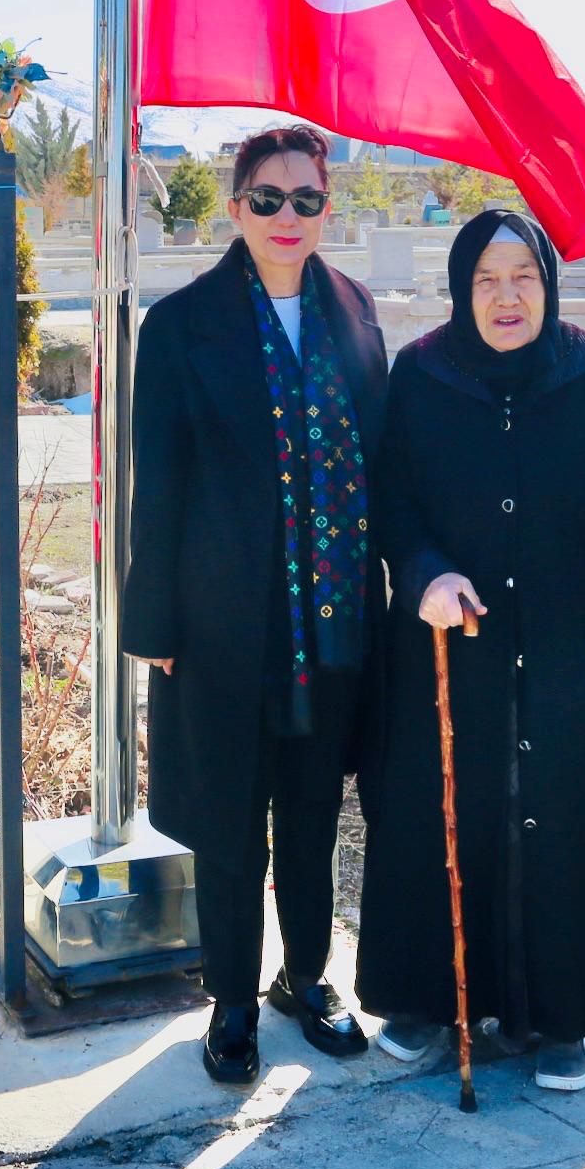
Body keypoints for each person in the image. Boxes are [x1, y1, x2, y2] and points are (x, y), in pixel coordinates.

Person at [357, 210, 585, 1093]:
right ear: (460, 288)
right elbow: (392, 502)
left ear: (549, 284)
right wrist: (426, 574)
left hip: (569, 645)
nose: (506, 295)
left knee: (566, 813)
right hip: (454, 641)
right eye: (486, 279)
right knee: (441, 807)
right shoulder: (421, 374)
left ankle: (568, 1012)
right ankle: (429, 999)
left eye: (523, 275)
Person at [122, 124, 388, 1086]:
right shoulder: (182, 325)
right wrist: (152, 624)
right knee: (233, 820)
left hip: (334, 618)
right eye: (267, 198)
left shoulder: (354, 312)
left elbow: (379, 461)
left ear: (326, 207)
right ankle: (232, 999)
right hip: (223, 623)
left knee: (314, 814)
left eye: (306, 199)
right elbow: (160, 484)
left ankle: (305, 979)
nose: (287, 216)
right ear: (236, 208)